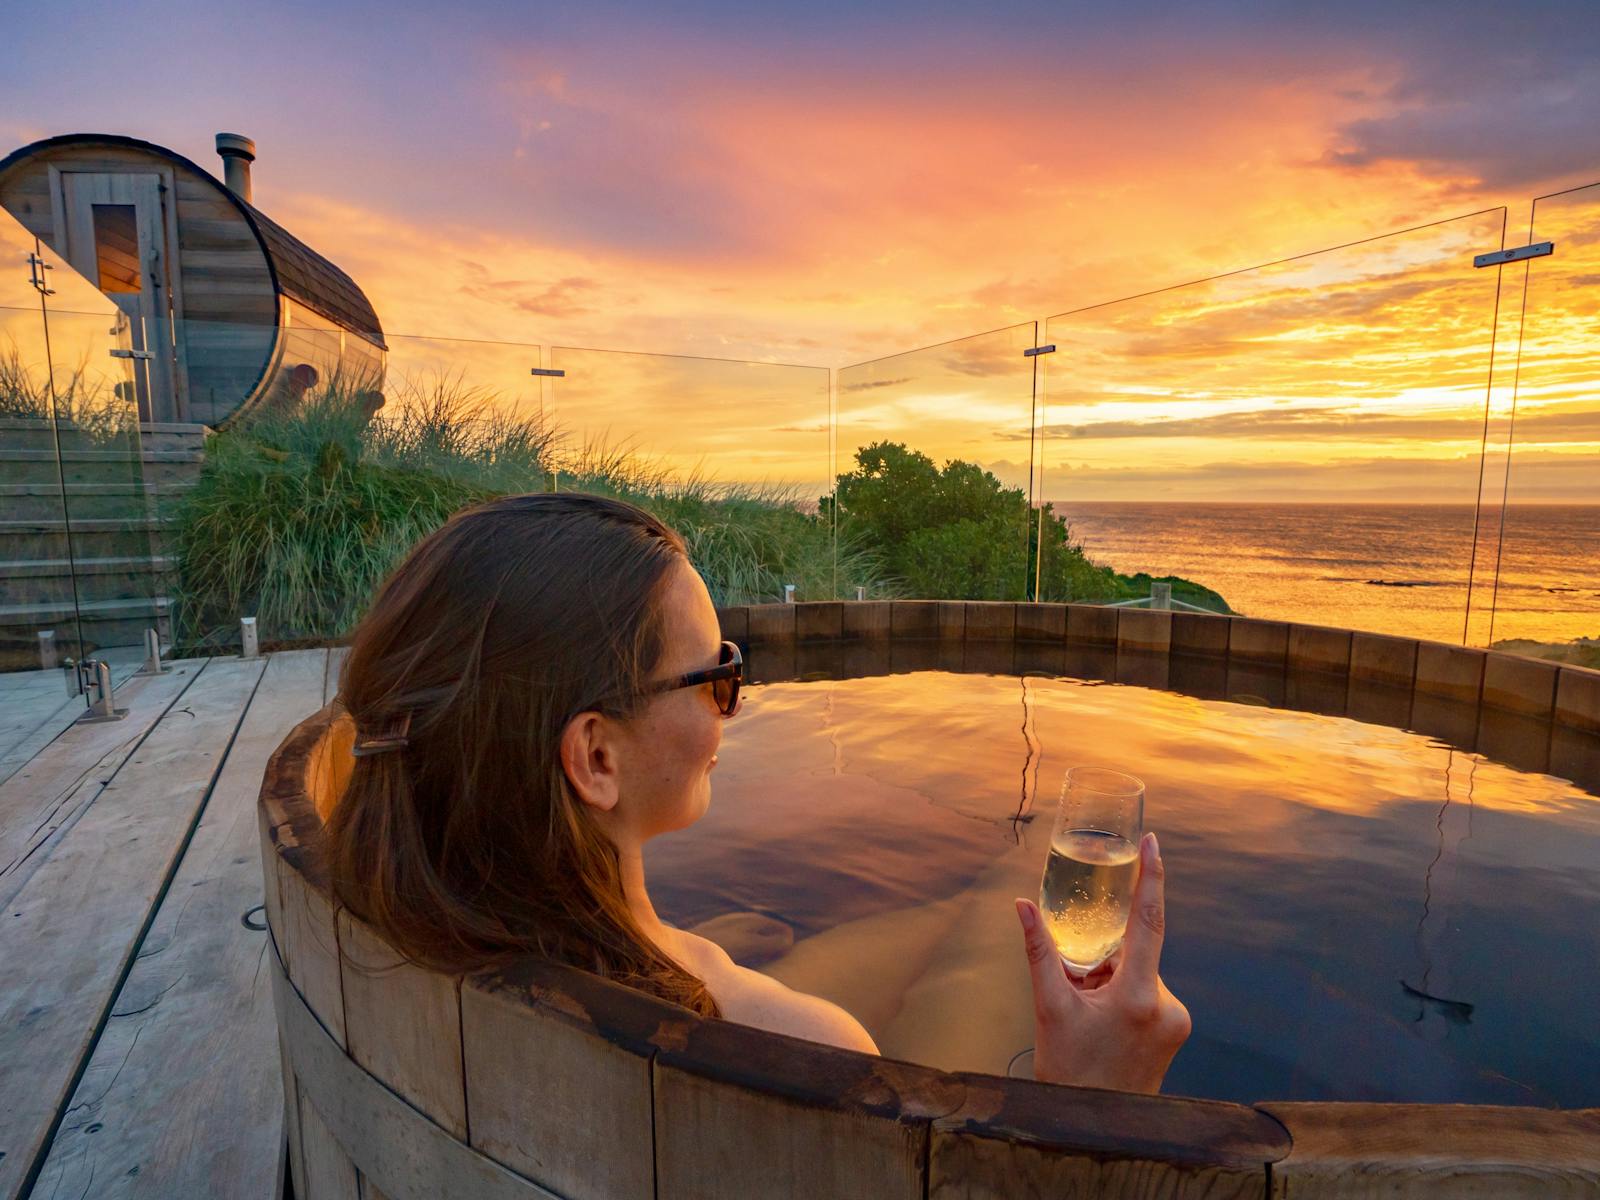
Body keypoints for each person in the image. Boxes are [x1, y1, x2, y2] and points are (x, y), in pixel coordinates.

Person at [322, 492, 1189, 1093]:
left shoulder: (421, 904)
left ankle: (1007, 869)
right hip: (745, 1013)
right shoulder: (814, 1052)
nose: (735, 702)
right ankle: (1028, 854)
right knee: (994, 939)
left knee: (969, 920)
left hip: (662, 956)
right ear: (595, 759)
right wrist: (1103, 1100)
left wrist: (667, 941)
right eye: (718, 676)